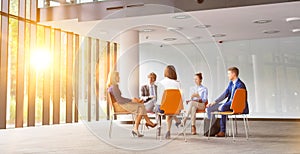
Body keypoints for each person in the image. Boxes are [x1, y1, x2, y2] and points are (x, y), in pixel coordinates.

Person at [107, 71, 157, 137]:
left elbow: (120, 99)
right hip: (121, 106)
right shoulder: (114, 87)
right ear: (114, 77)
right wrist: (132, 100)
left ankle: (139, 127)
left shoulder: (111, 87)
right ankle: (146, 123)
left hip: (120, 105)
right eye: (118, 76)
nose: (119, 77)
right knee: (141, 106)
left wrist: (133, 100)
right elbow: (120, 100)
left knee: (140, 106)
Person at [206, 67, 249, 137]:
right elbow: (225, 94)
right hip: (229, 104)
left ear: (234, 74)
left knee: (223, 108)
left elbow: (237, 101)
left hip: (236, 106)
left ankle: (222, 131)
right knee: (210, 108)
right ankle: (213, 129)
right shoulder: (231, 84)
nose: (228, 75)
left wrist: (223, 105)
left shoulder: (240, 85)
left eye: (229, 74)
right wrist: (214, 102)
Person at [156, 65, 182, 139]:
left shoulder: (160, 83)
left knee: (160, 106)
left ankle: (159, 126)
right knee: (170, 110)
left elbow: (159, 100)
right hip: (175, 108)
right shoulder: (178, 83)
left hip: (163, 108)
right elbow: (181, 98)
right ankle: (169, 130)